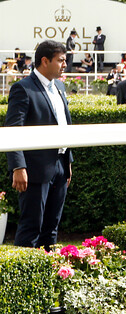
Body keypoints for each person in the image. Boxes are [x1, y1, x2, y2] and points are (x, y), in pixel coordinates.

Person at [5, 40, 73, 249]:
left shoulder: (60, 87)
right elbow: (13, 129)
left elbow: (64, 123)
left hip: (60, 166)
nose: (65, 65)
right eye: (61, 60)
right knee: (31, 227)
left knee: (52, 227)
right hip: (33, 170)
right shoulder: (22, 89)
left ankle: (48, 275)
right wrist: (18, 166)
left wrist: (67, 162)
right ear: (45, 60)